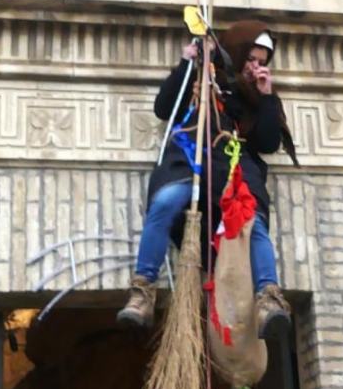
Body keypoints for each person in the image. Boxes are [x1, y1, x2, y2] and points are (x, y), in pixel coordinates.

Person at [117, 20, 300, 339]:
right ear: (238, 52)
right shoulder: (203, 75)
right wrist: (189, 62)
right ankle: (143, 292)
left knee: (254, 224)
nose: (255, 66)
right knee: (164, 202)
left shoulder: (256, 96)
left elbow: (268, 143)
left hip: (234, 171)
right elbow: (165, 108)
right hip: (191, 158)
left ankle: (268, 299)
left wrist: (266, 97)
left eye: (262, 61)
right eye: (251, 59)